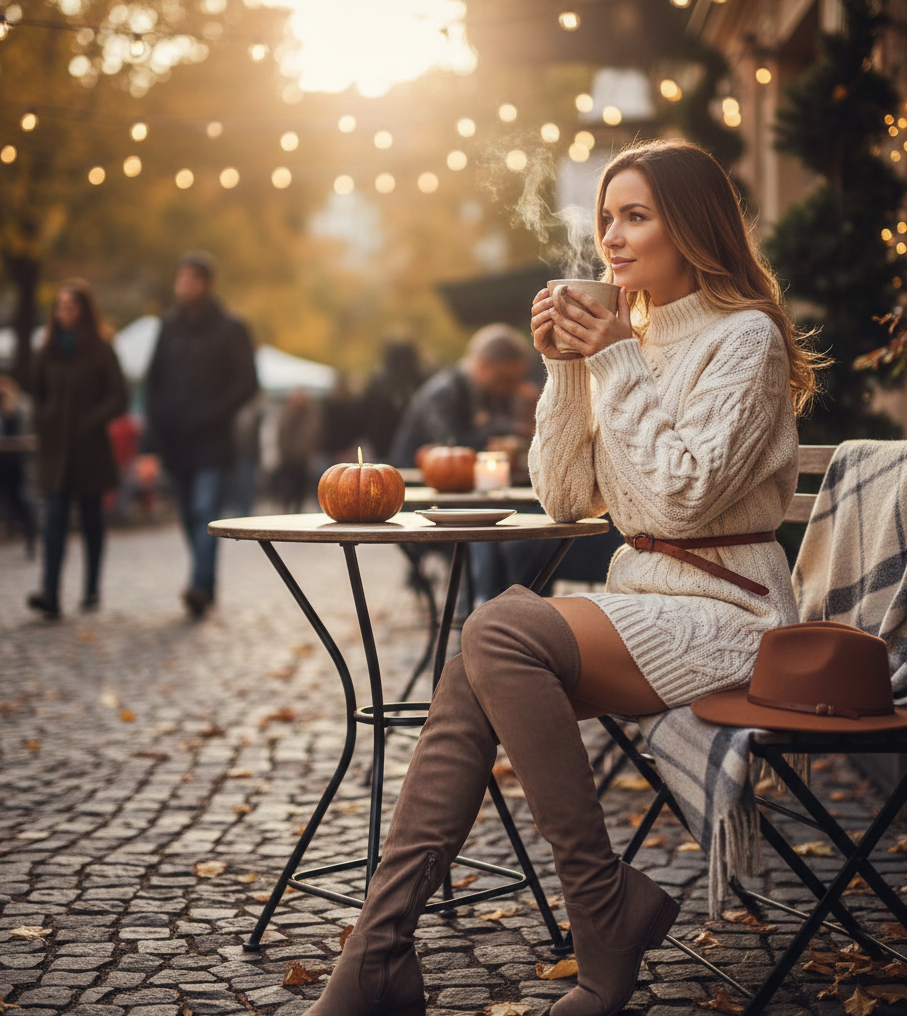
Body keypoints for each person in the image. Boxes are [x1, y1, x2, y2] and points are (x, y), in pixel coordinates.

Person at [304, 139, 826, 1016]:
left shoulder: (744, 341)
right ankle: (383, 948)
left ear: (691, 226)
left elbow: (684, 495)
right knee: (483, 656)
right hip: (644, 601)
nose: (611, 240)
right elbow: (563, 494)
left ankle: (586, 909)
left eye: (635, 216)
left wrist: (616, 359)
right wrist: (565, 371)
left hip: (732, 612)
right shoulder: (635, 336)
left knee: (496, 632)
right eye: (604, 220)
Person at [146, 252, 258, 618]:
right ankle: (205, 583)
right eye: (180, 280)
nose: (184, 287)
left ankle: (198, 585)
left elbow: (247, 383)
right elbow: (154, 379)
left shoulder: (230, 328)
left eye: (191, 280)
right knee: (186, 517)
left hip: (212, 441)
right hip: (175, 441)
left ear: (207, 284)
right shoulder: (169, 325)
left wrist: (211, 415)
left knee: (204, 510)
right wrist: (157, 422)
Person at [26, 281, 128, 619]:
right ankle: (50, 593)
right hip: (55, 451)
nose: (64, 311)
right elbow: (35, 392)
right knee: (53, 518)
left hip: (90, 450)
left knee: (90, 519)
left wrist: (91, 420)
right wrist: (44, 418)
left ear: (84, 309)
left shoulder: (101, 349)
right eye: (60, 305)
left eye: (71, 305)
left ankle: (91, 587)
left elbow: (119, 396)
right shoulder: (47, 350)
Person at [388, 323, 534, 467]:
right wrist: (498, 438)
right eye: (505, 379)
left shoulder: (494, 395)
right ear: (483, 365)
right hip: (416, 478)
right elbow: (451, 445)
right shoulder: (443, 394)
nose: (512, 387)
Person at [0, 373, 37, 557]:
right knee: (8, 497)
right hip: (3, 462)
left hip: (16, 462)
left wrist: (10, 408)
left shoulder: (21, 406)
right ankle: (11, 528)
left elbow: (25, 433)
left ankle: (30, 534)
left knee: (20, 497)